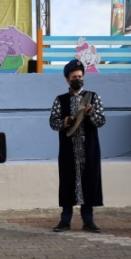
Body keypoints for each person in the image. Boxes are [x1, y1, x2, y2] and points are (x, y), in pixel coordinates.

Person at [49, 59, 106, 233]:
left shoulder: (93, 97)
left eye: (80, 76)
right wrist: (66, 122)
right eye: (74, 77)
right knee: (67, 183)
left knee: (89, 182)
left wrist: (90, 114)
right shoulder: (60, 100)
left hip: (89, 149)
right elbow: (53, 122)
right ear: (67, 79)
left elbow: (101, 121)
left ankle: (88, 221)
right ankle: (65, 220)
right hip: (68, 151)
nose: (77, 79)